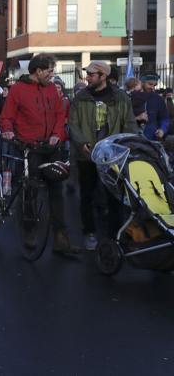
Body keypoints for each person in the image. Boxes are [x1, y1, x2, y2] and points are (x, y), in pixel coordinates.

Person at [0, 53, 79, 256]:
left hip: (51, 147)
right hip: (29, 146)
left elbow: (60, 115)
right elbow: (6, 116)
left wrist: (57, 134)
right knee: (31, 189)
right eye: (49, 71)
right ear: (38, 71)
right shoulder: (17, 90)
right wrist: (7, 130)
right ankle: (29, 229)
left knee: (56, 190)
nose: (52, 75)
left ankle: (61, 238)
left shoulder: (52, 88)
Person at [68, 60, 138, 250]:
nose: (88, 77)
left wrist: (126, 147)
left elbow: (130, 124)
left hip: (112, 156)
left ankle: (114, 236)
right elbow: (72, 125)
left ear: (103, 76)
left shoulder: (121, 97)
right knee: (87, 196)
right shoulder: (80, 97)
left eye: (91, 74)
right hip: (87, 155)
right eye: (88, 74)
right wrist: (82, 143)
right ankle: (89, 232)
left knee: (114, 197)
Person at [138, 72, 168, 141]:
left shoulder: (158, 99)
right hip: (133, 140)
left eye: (154, 85)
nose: (152, 87)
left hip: (152, 141)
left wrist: (162, 130)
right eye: (150, 84)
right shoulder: (131, 97)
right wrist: (137, 117)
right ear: (142, 83)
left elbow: (164, 118)